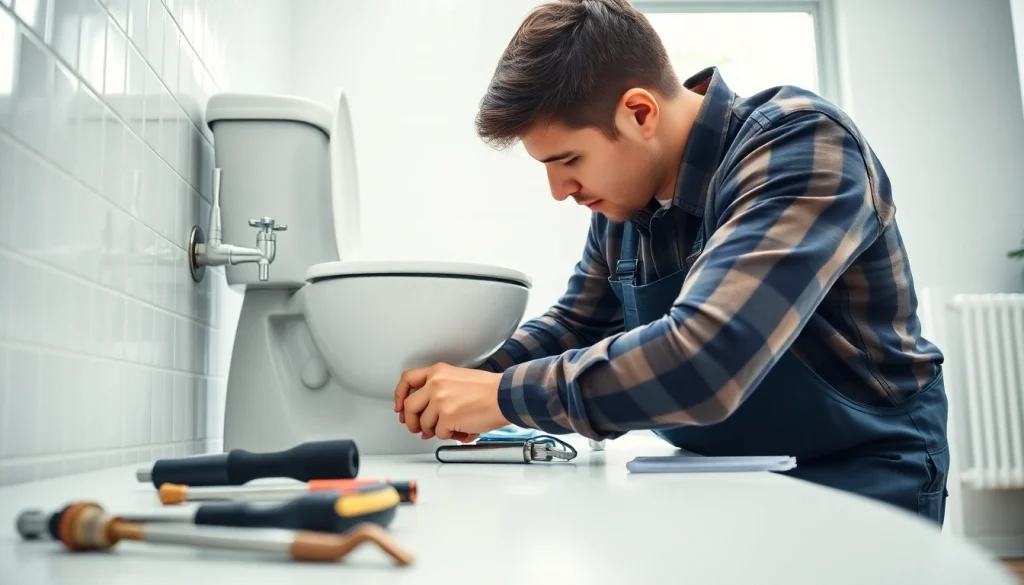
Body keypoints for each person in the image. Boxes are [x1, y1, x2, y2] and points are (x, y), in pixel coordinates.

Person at [392, 0, 950, 525]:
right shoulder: (623, 204)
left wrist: (503, 396)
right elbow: (576, 325)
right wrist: (473, 378)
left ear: (639, 112)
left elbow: (707, 359)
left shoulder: (800, 145)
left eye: (568, 160)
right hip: (720, 476)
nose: (558, 190)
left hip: (859, 474)